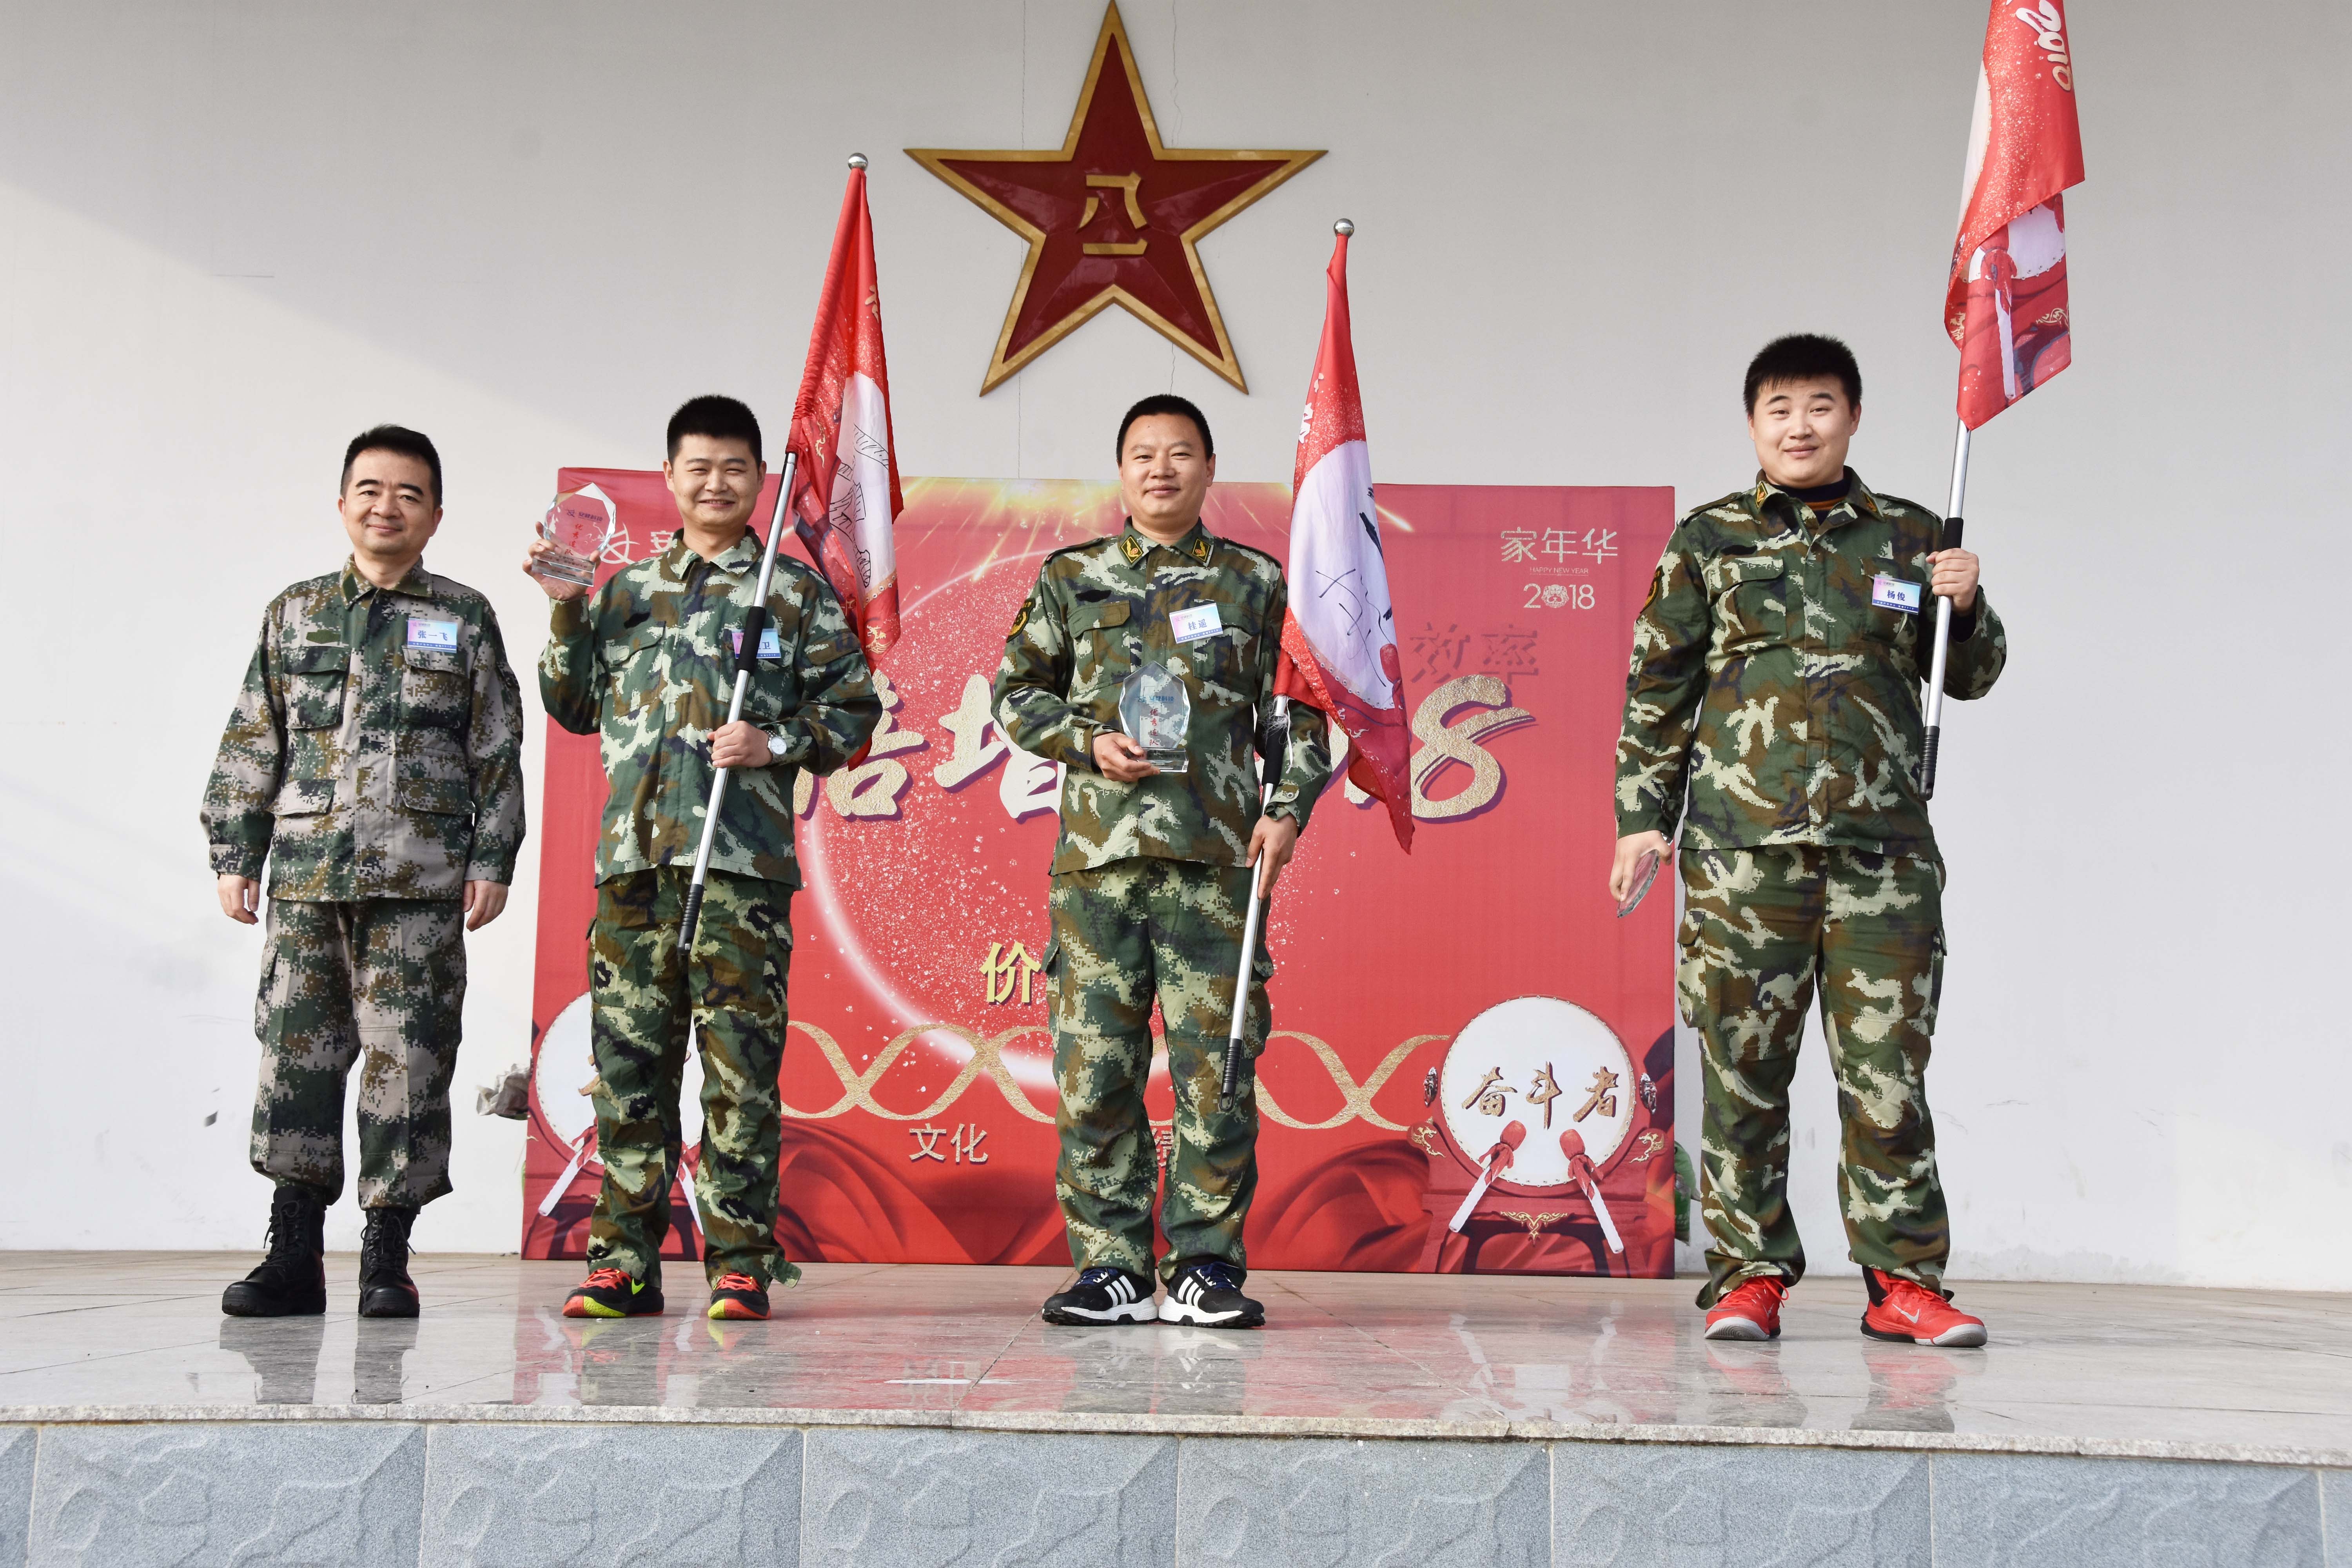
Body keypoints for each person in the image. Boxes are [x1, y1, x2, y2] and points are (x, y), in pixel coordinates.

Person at [1611, 334, 2006, 1348]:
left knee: (1888, 1078)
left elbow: (1968, 678)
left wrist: (1966, 606)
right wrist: (1642, 820)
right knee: (1744, 1073)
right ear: (1754, 424)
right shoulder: (1709, 541)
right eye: (1779, 408)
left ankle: (1904, 1282)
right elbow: (1658, 689)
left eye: (1821, 405)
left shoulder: (1914, 537)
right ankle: (1747, 1277)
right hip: (1743, 855)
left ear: (1853, 417)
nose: (1800, 425)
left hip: (1883, 858)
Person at [532, 395, 880, 1322]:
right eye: (698, 465)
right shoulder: (624, 592)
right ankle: (623, 1263)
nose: (715, 482)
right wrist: (566, 612)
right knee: (630, 1073)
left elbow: (854, 710)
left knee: (739, 1075)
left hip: (740, 872)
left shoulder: (791, 593)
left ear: (761, 478)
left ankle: (739, 1262)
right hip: (636, 867)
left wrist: (774, 741)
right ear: (671, 476)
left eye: (734, 467)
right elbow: (572, 704)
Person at [992, 394, 1334, 1330]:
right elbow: (1015, 691)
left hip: (1214, 867)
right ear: (1122, 470)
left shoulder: (1255, 582)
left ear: (1209, 468)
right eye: (1143, 454)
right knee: (1095, 1072)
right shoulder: (1072, 577)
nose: (1161, 469)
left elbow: (1298, 712)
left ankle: (1203, 1265)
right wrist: (1085, 739)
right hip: (1097, 869)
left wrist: (1289, 807)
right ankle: (1109, 1267)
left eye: (1180, 453)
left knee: (1215, 1072)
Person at [203, 425, 525, 1319]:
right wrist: (235, 853)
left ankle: (388, 1253)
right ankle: (293, 1253)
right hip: (308, 876)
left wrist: (493, 856)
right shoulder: (296, 611)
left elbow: (497, 747)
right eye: (372, 490)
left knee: (410, 1062)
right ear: (343, 502)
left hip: (422, 880)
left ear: (436, 515)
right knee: (295, 1056)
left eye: (409, 494)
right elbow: (254, 735)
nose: (388, 507)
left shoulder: (465, 616)